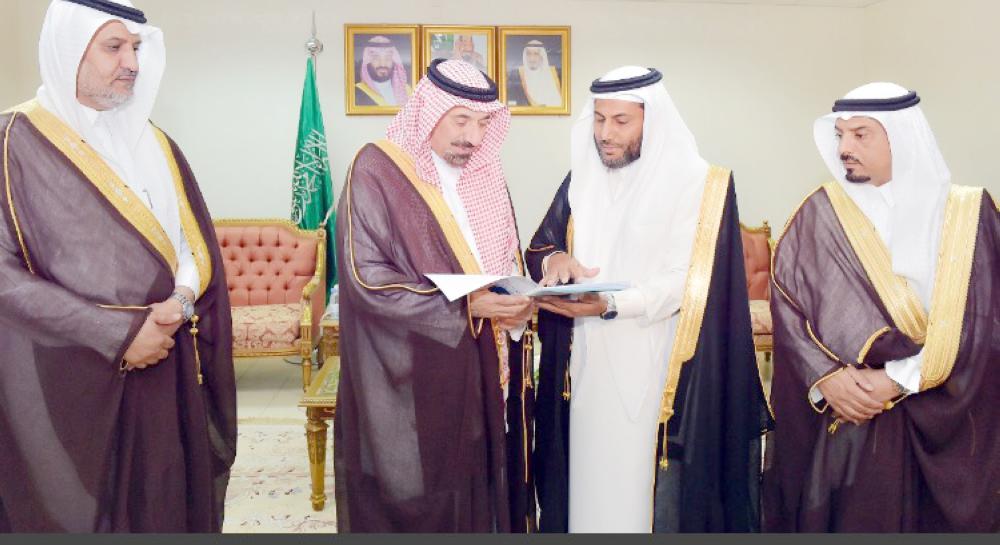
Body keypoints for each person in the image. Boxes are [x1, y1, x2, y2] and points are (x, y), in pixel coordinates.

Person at [0, 0, 236, 532]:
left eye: (136, 47)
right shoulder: (13, 142)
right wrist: (118, 334)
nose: (131, 62)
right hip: (69, 372)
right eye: (114, 47)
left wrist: (179, 302)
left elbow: (190, 244)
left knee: (164, 498)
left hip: (166, 356)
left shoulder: (156, 142)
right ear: (69, 50)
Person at [527, 66, 771, 533]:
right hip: (584, 365)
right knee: (587, 486)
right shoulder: (581, 176)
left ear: (652, 120)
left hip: (659, 361)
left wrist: (615, 304)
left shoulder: (696, 183)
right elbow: (543, 243)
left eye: (621, 121)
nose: (605, 133)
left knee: (644, 492)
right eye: (599, 119)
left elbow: (692, 278)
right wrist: (556, 260)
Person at [763, 83, 1000, 532]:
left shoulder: (969, 213)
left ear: (902, 137)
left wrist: (898, 379)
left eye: (860, 134)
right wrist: (826, 378)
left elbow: (986, 320)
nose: (844, 148)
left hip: (950, 415)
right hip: (853, 412)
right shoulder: (820, 213)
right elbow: (790, 308)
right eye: (840, 135)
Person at [334, 59, 536, 532]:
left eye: (483, 123)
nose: (473, 137)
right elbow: (367, 279)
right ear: (428, 110)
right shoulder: (377, 170)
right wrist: (465, 306)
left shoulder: (486, 173)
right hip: (412, 369)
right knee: (419, 493)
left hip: (484, 363)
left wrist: (516, 306)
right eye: (461, 120)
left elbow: (505, 262)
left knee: (479, 482)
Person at [355, 35, 412, 107]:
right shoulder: (357, 92)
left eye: (388, 57)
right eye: (376, 58)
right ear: (367, 61)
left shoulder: (407, 90)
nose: (382, 64)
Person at [506, 40, 562, 107]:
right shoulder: (516, 75)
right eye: (528, 54)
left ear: (542, 56)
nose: (532, 58)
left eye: (536, 54)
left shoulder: (555, 74)